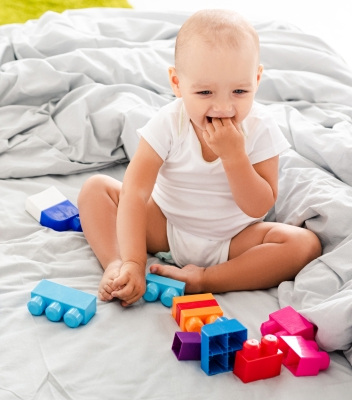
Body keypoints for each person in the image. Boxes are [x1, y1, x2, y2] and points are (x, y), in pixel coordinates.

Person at [77, 9, 322, 307]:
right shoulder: (168, 122)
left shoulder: (260, 127)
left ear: (257, 79)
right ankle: (116, 266)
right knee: (96, 189)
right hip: (166, 228)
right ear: (177, 83)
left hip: (234, 240)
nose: (223, 106)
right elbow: (135, 193)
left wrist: (234, 157)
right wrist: (132, 260)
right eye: (205, 91)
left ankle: (207, 278)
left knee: (304, 244)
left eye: (239, 91)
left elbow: (259, 204)